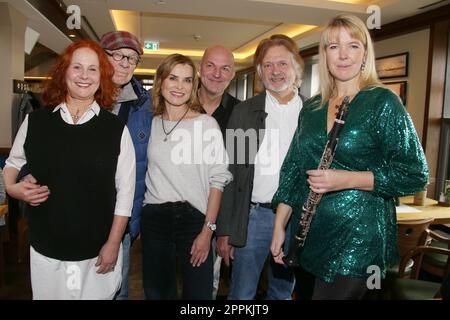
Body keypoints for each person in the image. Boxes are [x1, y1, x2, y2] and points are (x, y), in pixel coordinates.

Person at [270, 14, 429, 300]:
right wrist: (279, 226)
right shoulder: (312, 108)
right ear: (325, 55)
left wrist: (346, 179)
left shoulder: (382, 102)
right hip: (312, 238)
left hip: (360, 240)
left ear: (365, 53)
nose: (343, 55)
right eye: (333, 47)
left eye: (353, 46)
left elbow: (415, 174)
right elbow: (293, 169)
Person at [3, 40, 136, 299]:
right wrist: (12, 187)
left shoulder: (115, 129)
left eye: (92, 69)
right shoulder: (36, 121)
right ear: (64, 72)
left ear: (102, 77)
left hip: (96, 252)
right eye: (77, 67)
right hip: (47, 248)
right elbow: (13, 163)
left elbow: (125, 194)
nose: (84, 76)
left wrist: (113, 244)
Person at [216, 34, 304, 300]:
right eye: (268, 65)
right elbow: (231, 172)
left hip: (297, 220)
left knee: (282, 293)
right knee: (241, 294)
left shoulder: (313, 112)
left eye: (282, 64)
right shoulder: (244, 112)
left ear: (296, 68)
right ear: (259, 72)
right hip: (254, 218)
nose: (275, 71)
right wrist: (226, 230)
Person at [140, 54, 232, 299]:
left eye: (187, 80)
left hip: (193, 220)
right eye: (173, 78)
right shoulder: (150, 123)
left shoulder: (206, 124)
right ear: (160, 82)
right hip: (155, 217)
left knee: (198, 295)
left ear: (193, 86)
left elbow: (218, 179)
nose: (179, 86)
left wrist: (207, 230)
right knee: (157, 292)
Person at [100, 30, 152, 300]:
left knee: (117, 287)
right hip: (80, 212)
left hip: (123, 215)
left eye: (132, 59)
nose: (125, 63)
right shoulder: (80, 95)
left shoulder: (145, 105)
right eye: (118, 56)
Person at [198, 45, 240, 299]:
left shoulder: (241, 113)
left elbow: (239, 175)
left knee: (208, 287)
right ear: (200, 68)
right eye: (211, 65)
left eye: (225, 68)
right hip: (178, 211)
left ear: (233, 74)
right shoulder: (179, 103)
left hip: (219, 216)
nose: (217, 74)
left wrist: (226, 229)